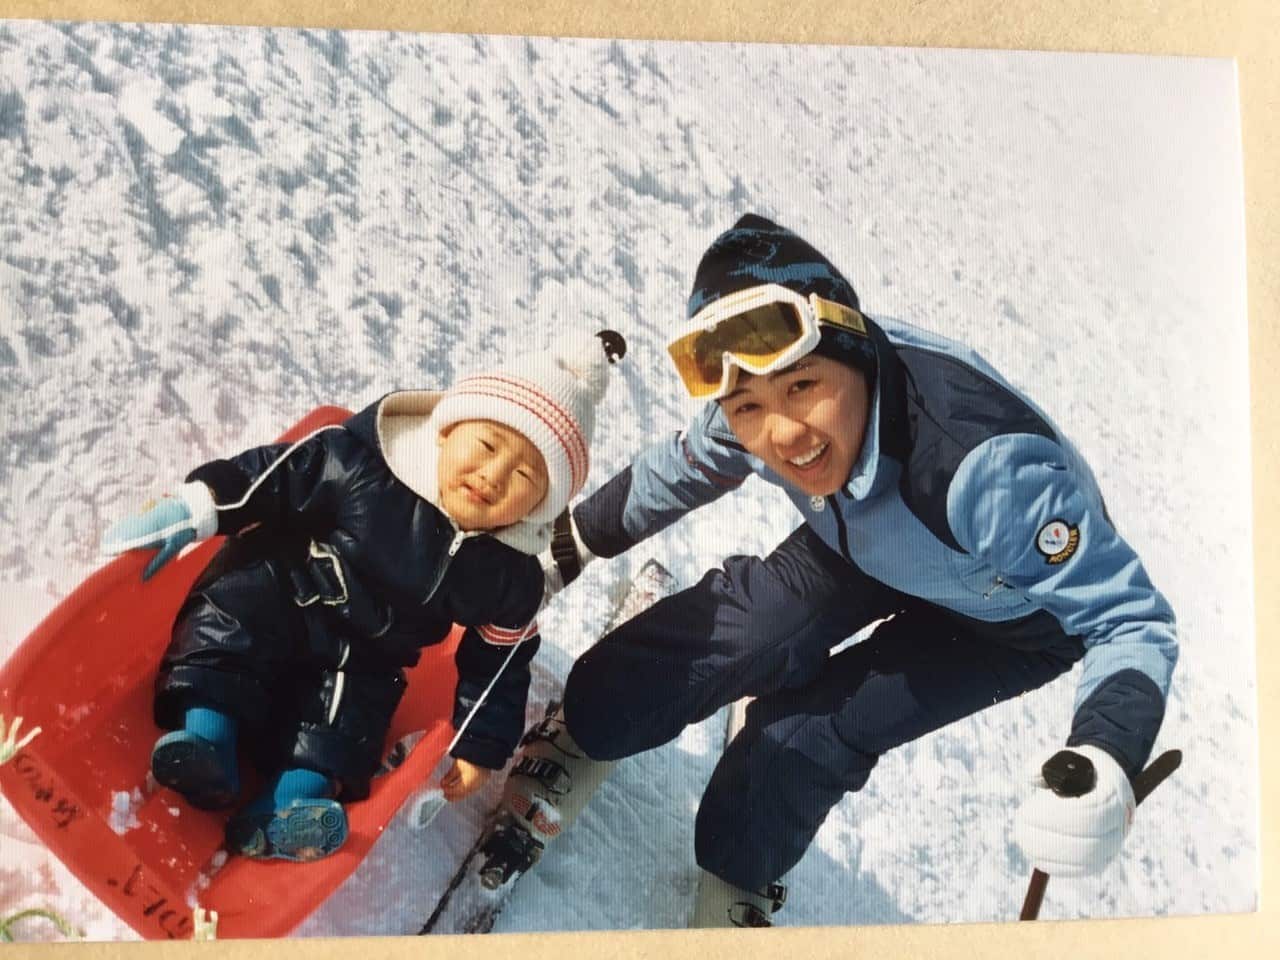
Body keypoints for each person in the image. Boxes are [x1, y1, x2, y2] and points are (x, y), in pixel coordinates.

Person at [530, 214, 1178, 925]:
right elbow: (684, 466)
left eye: (804, 387)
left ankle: (740, 868)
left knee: (816, 732)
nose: (783, 432)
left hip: (1009, 618)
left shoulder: (986, 471)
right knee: (752, 625)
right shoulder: (753, 384)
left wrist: (1107, 753)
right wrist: (564, 548)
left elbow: (1128, 617)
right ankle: (589, 723)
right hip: (868, 539)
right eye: (750, 408)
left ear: (857, 352)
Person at [100, 331, 624, 862]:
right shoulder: (364, 467)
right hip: (289, 590)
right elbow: (278, 476)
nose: (493, 476)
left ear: (538, 505)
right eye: (487, 446)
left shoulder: (507, 576)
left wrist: (481, 742)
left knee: (353, 716)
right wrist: (201, 503)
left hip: (362, 654)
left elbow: (501, 660)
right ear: (447, 430)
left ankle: (287, 807)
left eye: (525, 477)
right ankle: (207, 738)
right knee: (234, 612)